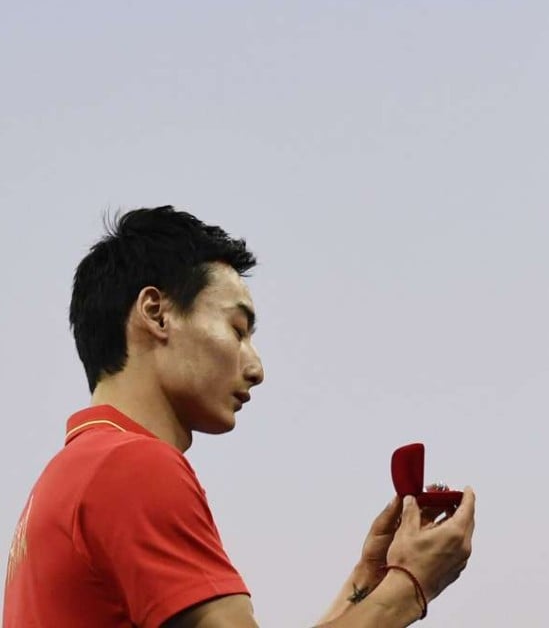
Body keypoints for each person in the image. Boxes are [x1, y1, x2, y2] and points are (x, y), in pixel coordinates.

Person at [3, 206, 475, 627]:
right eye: (237, 329)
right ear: (156, 313)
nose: (256, 368)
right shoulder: (133, 467)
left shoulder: (68, 479)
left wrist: (367, 585)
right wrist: (411, 587)